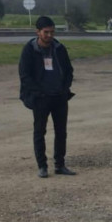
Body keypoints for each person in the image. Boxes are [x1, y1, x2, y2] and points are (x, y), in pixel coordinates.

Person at [19, 15, 76, 179]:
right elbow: (24, 75)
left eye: (52, 32)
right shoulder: (29, 50)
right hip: (41, 99)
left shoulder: (59, 48)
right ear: (38, 32)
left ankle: (60, 164)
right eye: (46, 32)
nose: (50, 35)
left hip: (59, 97)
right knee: (39, 132)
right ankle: (42, 166)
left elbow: (68, 70)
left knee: (61, 132)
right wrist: (38, 93)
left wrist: (65, 89)